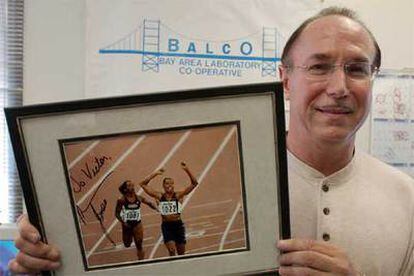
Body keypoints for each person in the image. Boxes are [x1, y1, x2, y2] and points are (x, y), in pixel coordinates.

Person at [7, 6, 414, 275]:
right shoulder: (233, 173)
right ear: (286, 79)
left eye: (358, 69)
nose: (339, 87)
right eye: (319, 66)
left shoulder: (408, 201)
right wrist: (51, 246)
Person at [138, 161, 198, 256]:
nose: (169, 185)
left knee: (181, 253)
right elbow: (142, 184)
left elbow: (194, 183)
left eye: (171, 183)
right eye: (167, 183)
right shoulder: (159, 196)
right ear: (163, 186)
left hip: (178, 225)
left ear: (174, 185)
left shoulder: (178, 195)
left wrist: (187, 170)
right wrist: (155, 174)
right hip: (167, 226)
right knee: (171, 250)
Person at [115, 180, 157, 260]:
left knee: (139, 244)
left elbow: (149, 203)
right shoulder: (122, 200)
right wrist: (123, 223)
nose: (132, 187)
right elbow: (117, 213)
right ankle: (129, 237)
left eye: (132, 185)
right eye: (129, 186)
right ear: (125, 189)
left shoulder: (138, 198)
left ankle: (141, 261)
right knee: (127, 244)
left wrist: (156, 208)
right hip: (127, 225)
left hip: (137, 224)